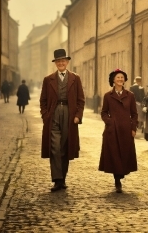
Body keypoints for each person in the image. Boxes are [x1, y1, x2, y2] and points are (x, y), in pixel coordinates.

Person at [39, 49, 85, 192]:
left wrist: (78, 115)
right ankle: (57, 180)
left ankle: (62, 178)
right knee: (55, 147)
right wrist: (46, 116)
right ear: (55, 63)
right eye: (58, 61)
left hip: (69, 114)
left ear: (67, 62)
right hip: (53, 114)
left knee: (65, 147)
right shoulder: (48, 79)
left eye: (63, 61)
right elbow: (43, 100)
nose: (61, 63)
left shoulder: (75, 78)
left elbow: (81, 100)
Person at [99, 69, 138, 193]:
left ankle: (121, 173)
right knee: (114, 154)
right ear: (113, 80)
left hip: (126, 130)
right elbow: (104, 112)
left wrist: (133, 128)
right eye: (118, 78)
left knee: (125, 153)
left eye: (122, 78)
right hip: (112, 130)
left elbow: (134, 114)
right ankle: (117, 180)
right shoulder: (108, 96)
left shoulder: (130, 95)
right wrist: (110, 122)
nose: (120, 80)